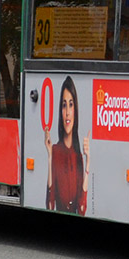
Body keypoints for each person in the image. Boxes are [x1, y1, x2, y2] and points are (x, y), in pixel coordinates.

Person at [45, 76, 89, 214]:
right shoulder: (55, 151)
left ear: (75, 110)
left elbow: (82, 210)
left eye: (71, 104)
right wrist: (50, 157)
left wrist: (88, 163)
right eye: (64, 105)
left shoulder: (79, 156)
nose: (68, 113)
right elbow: (50, 205)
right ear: (60, 111)